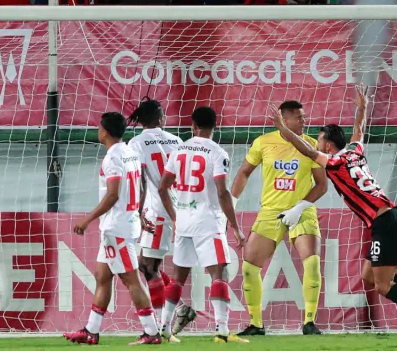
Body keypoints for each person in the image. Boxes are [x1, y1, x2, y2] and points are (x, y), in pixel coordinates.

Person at [270, 88, 397, 340]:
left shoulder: (335, 162)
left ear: (328, 145)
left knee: (383, 285)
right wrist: (362, 107)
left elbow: (307, 151)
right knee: (368, 275)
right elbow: (359, 131)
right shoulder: (355, 152)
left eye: (320, 139)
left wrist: (284, 130)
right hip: (387, 220)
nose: (317, 143)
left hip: (385, 222)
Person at [64, 112, 163, 345]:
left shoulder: (112, 158)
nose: (98, 130)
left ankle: (152, 332)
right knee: (102, 276)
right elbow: (142, 184)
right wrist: (138, 211)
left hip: (117, 228)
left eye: (99, 127)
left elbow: (113, 194)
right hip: (122, 224)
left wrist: (87, 218)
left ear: (105, 131)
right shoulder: (131, 152)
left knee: (132, 281)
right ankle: (91, 330)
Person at [230, 100, 328, 336]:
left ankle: (309, 322)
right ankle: (256, 324)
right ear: (285, 120)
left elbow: (322, 185)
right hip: (271, 211)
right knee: (249, 267)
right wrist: (230, 206)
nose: (304, 121)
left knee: (312, 263)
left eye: (304, 117)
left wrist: (299, 207)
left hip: (301, 211)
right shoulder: (264, 142)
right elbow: (244, 172)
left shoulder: (311, 145)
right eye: (299, 117)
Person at [159, 106, 248, 344]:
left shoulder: (178, 150)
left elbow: (162, 187)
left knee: (178, 277)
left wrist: (175, 216)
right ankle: (221, 330)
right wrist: (236, 227)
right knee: (219, 274)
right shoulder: (218, 153)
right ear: (214, 126)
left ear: (193, 125)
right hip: (208, 221)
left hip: (185, 220)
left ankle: (164, 329)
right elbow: (222, 191)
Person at [125, 99, 185, 336]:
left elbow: (139, 182)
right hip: (180, 207)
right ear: (161, 119)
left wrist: (137, 213)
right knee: (146, 264)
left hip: (157, 210)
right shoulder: (177, 141)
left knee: (149, 267)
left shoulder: (136, 143)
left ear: (140, 121)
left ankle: (162, 326)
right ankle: (179, 310)